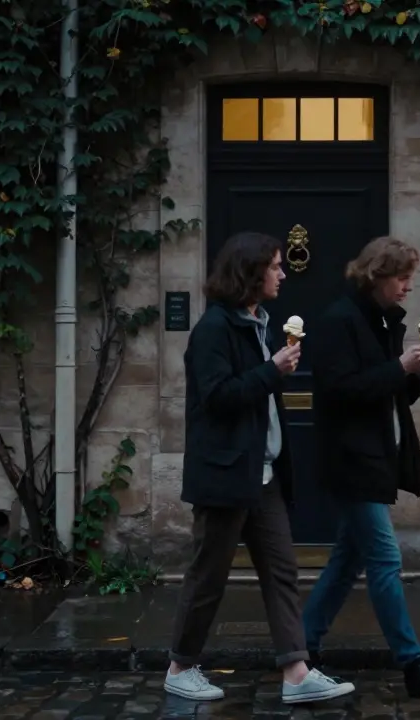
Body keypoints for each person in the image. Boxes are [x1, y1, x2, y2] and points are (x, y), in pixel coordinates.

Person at [164, 231, 355, 705]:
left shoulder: (258, 323)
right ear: (250, 273)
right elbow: (218, 397)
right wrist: (273, 371)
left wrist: (272, 370)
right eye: (274, 266)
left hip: (263, 473)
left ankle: (296, 671)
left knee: (282, 572)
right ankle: (180, 666)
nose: (282, 273)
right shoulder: (213, 329)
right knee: (209, 576)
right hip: (226, 474)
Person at [301, 236, 420, 698]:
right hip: (352, 460)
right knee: (385, 559)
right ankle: (412, 664)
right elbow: (342, 392)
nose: (408, 287)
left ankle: (301, 646)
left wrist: (415, 372)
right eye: (402, 277)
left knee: (345, 561)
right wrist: (400, 365)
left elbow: (387, 397)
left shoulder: (382, 321)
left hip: (377, 456)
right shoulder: (340, 321)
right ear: (378, 276)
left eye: (410, 277)